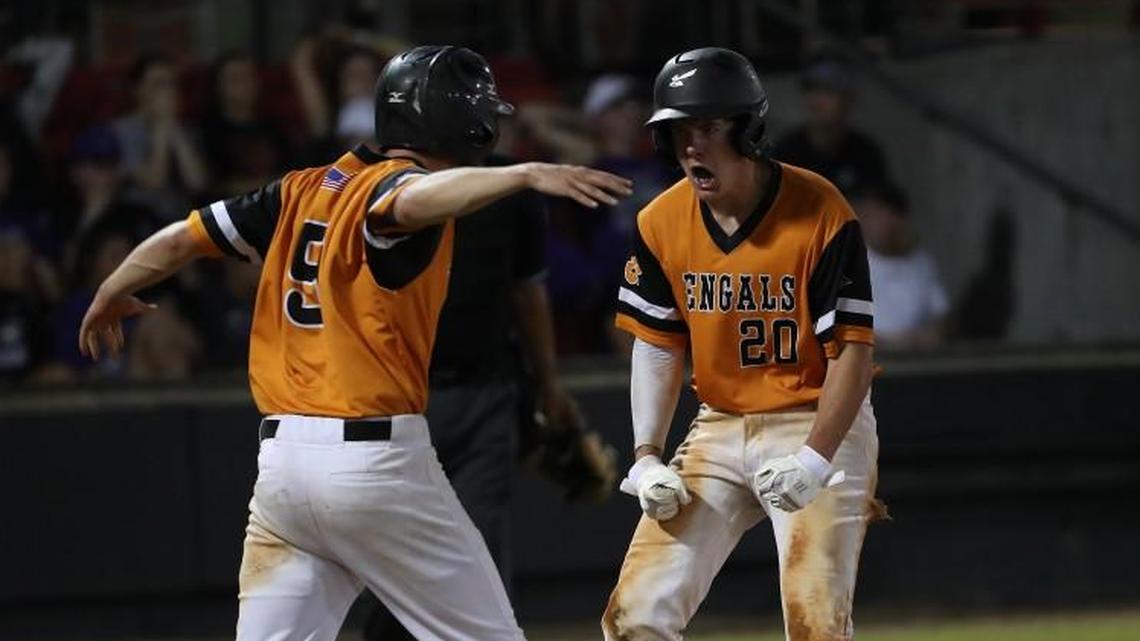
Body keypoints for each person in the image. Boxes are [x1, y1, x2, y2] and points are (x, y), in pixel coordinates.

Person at [78, 45, 631, 641]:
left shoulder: (300, 188)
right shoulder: (395, 188)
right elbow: (410, 201)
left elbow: (182, 240)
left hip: (283, 474)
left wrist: (112, 286)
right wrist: (522, 173)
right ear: (453, 118)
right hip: (376, 467)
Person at [602, 48, 882, 641]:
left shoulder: (822, 210)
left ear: (748, 130)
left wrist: (817, 456)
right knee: (635, 619)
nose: (691, 146)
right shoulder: (660, 220)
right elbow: (657, 344)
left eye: (707, 127)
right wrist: (647, 454)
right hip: (721, 425)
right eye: (678, 130)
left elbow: (853, 353)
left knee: (816, 627)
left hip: (815, 417)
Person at [358, 151, 586, 641]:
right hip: (399, 401)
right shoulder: (378, 184)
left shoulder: (509, 188)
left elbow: (528, 290)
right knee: (401, 556)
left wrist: (548, 384)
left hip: (488, 391)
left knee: (477, 547)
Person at [772, 54, 889, 197]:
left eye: (828, 91)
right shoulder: (785, 152)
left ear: (848, 100)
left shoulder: (865, 153)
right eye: (811, 89)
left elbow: (884, 209)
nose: (817, 100)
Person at [112, 54, 210, 220]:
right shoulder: (121, 131)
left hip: (181, 219)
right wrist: (162, 126)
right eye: (159, 84)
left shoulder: (188, 129)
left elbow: (198, 184)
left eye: (172, 85)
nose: (168, 92)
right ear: (137, 89)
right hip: (137, 218)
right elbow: (154, 182)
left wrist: (174, 130)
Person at [854, 180, 948, 348]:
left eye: (891, 214)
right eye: (876, 214)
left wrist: (927, 336)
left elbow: (941, 317)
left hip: (916, 360)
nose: (884, 223)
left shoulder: (922, 263)